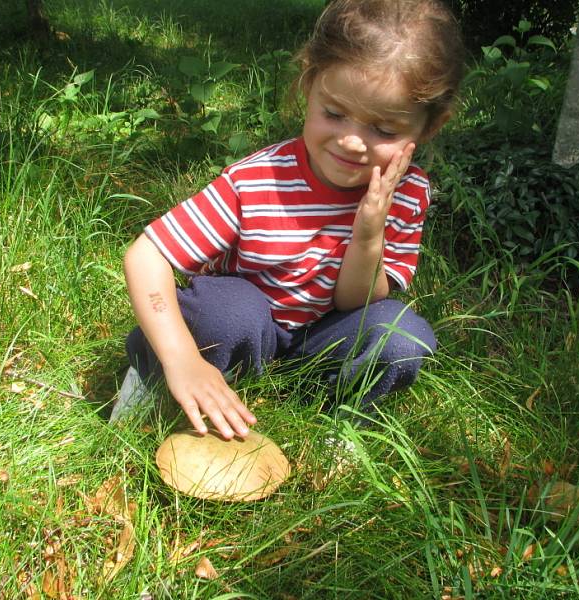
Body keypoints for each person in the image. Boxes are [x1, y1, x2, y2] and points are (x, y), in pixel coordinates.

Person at [113, 0, 465, 439]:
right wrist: (182, 356)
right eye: (334, 114)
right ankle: (153, 378)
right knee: (230, 314)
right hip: (238, 328)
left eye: (385, 130)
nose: (352, 142)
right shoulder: (258, 181)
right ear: (308, 83)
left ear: (429, 127)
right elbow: (147, 256)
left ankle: (341, 420)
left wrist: (368, 235)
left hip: (316, 337)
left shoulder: (406, 193)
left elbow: (355, 303)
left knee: (401, 335)